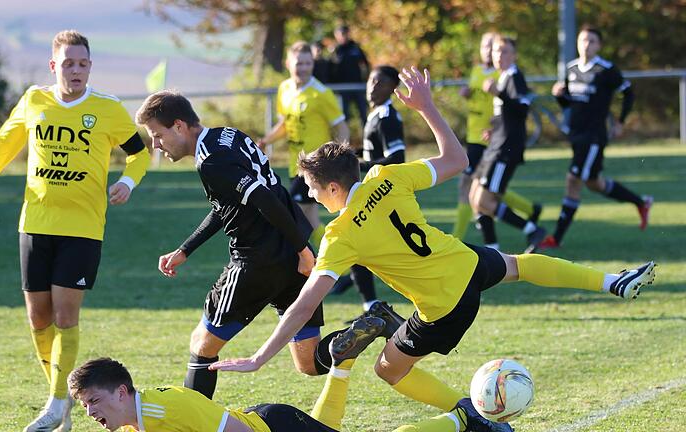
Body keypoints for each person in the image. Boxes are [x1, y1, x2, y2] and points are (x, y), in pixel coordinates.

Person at [210, 66, 656, 432]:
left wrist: (258, 357)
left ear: (331, 186)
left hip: (443, 305)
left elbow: (304, 305)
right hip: (466, 261)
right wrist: (427, 107)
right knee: (521, 265)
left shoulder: (340, 235)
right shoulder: (386, 176)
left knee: (388, 370)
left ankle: (471, 418)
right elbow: (458, 161)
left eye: (311, 189)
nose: (310, 196)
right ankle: (611, 281)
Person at [0, 30, 150, 432]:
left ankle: (58, 401)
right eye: (68, 63)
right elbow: (4, 143)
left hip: (82, 228)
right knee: (38, 318)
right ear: (53, 66)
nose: (75, 70)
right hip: (35, 223)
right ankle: (61, 402)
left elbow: (140, 153)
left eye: (82, 63)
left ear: (90, 67)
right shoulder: (34, 100)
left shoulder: (107, 109)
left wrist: (127, 183)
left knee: (64, 314)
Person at [135, 90, 358, 400]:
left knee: (202, 344)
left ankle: (193, 422)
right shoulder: (227, 135)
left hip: (257, 261)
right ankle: (365, 329)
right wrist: (186, 249)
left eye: (158, 135)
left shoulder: (211, 162)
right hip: (290, 248)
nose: (156, 145)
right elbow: (229, 204)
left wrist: (303, 252)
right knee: (307, 361)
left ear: (179, 126)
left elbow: (263, 198)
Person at [69, 317, 493, 432]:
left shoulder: (170, 406)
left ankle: (462, 418)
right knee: (327, 427)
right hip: (271, 420)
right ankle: (342, 361)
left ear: (123, 392)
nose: (90, 413)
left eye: (94, 402)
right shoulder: (133, 426)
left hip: (272, 425)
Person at [538, 25, 649, 250]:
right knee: (594, 183)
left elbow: (628, 93)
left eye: (591, 41)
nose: (586, 45)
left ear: (599, 45)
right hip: (577, 135)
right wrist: (560, 96)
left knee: (573, 180)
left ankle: (555, 238)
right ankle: (641, 202)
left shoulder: (606, 70)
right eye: (582, 40)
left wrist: (620, 122)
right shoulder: (571, 69)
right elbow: (572, 103)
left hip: (594, 137)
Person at [258, 41, 349, 249]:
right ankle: (344, 259)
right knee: (309, 220)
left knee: (294, 215)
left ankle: (315, 262)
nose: (303, 68)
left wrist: (338, 157)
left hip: (314, 166)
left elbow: (342, 127)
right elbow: (285, 124)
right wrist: (266, 141)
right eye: (299, 63)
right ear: (288, 63)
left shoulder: (321, 94)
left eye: (308, 63)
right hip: (295, 164)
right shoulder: (285, 89)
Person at [330, 65, 405, 314]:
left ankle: (369, 304)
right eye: (371, 81)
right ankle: (369, 304)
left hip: (381, 195)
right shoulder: (376, 114)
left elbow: (397, 158)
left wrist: (359, 165)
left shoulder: (388, 118)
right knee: (362, 248)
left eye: (380, 83)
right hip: (371, 193)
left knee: (361, 247)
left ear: (392, 88)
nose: (373, 87)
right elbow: (377, 153)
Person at [453, 32, 541, 241]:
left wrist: (498, 94)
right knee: (475, 197)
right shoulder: (502, 76)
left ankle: (533, 231)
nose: (498, 55)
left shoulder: (514, 77)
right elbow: (509, 114)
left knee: (484, 201)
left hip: (505, 149)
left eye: (504, 51)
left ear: (514, 55)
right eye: (496, 51)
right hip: (496, 143)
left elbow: (522, 109)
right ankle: (493, 249)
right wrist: (495, 127)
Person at [331, 24, 370, 126]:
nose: (344, 36)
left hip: (357, 86)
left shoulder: (356, 47)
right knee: (344, 117)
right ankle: (344, 141)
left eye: (345, 33)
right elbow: (330, 69)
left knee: (363, 115)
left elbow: (365, 65)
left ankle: (367, 140)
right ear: (336, 35)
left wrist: (366, 79)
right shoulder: (335, 50)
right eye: (341, 34)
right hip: (342, 88)